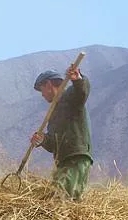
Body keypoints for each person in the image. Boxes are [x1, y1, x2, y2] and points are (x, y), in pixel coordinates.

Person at [30, 62, 93, 201]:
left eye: (42, 90)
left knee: (60, 199)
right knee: (55, 199)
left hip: (76, 158)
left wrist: (78, 79)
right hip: (63, 162)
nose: (42, 95)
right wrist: (42, 140)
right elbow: (53, 144)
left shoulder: (71, 96)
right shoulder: (53, 114)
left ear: (48, 85)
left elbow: (82, 92)